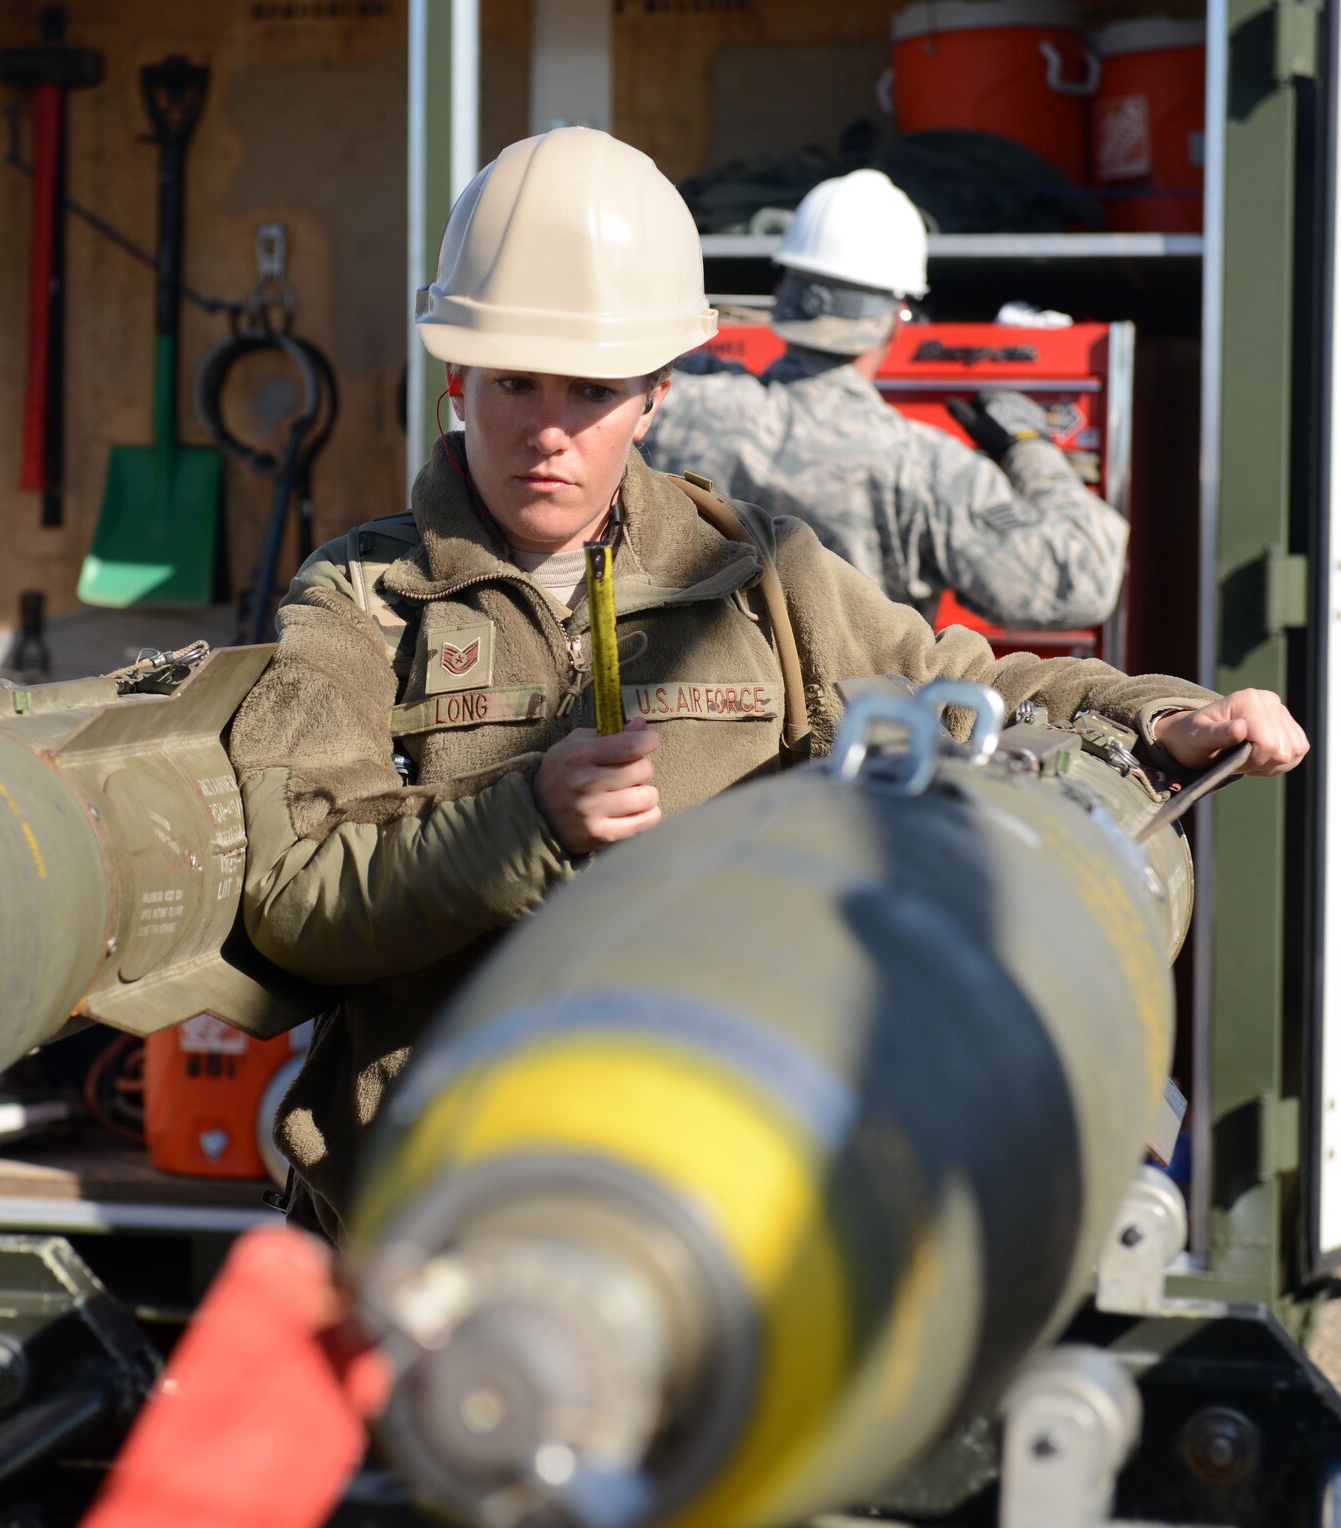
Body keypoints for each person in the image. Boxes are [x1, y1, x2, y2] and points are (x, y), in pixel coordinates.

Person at [227, 128, 1306, 1240]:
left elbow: (978, 684)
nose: (544, 431)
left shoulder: (760, 575)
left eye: (590, 389)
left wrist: (1162, 715)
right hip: (435, 1216)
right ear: (457, 380)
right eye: (511, 382)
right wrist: (529, 822)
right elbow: (293, 903)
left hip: (728, 1217)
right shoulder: (362, 599)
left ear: (655, 395)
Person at [640, 168, 1129, 630]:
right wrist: (1030, 449)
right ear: (897, 318)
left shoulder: (673, 405)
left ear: (783, 290)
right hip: (858, 717)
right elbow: (1082, 584)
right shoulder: (927, 468)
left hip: (699, 711)